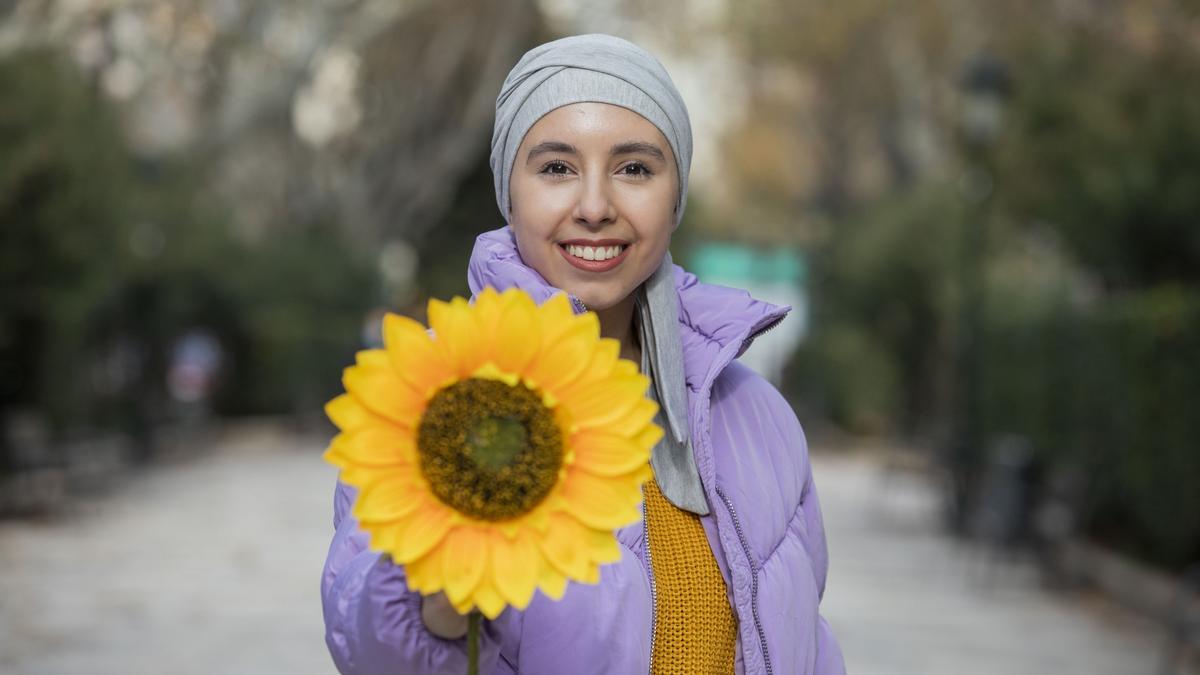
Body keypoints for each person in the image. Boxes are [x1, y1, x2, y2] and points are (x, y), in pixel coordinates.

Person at [321, 33, 847, 675]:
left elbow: (806, 645)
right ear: (509, 192)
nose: (595, 207)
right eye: (556, 168)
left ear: (674, 195)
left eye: (634, 169)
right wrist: (436, 585)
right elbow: (370, 645)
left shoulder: (756, 415)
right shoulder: (436, 395)